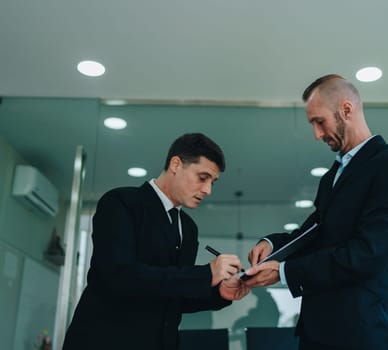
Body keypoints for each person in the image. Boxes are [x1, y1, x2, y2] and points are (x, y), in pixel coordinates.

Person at [244, 74, 388, 350]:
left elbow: (366, 254)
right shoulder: (332, 176)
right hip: (315, 335)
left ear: (346, 110)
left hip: (360, 337)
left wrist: (285, 271)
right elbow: (314, 233)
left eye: (319, 121)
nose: (316, 134)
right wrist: (272, 245)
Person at [63, 133, 250, 350]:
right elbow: (119, 276)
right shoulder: (121, 202)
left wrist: (219, 293)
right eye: (202, 177)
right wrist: (206, 273)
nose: (208, 190)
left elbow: (172, 296)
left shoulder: (189, 228)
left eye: (212, 182)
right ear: (176, 164)